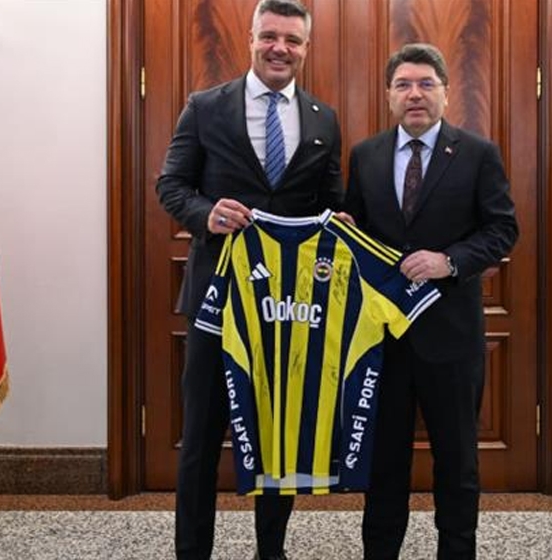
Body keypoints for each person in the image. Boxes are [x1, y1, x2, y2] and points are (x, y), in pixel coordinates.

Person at [155, 1, 344, 558]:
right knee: (200, 437)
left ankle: (271, 550)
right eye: (270, 36)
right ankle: (192, 551)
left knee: (278, 436)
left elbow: (331, 201)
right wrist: (206, 213)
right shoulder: (204, 106)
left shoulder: (323, 118)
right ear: (251, 38)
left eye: (292, 40)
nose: (280, 48)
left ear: (306, 48)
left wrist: (340, 224)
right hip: (217, 300)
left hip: (288, 307)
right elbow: (171, 185)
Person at [345, 43, 519, 559]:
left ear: (446, 92)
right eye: (403, 85)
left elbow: (502, 229)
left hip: (451, 338)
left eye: (426, 84)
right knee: (384, 463)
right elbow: (357, 232)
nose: (415, 94)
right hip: (383, 340)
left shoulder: (478, 153)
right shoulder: (365, 155)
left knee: (457, 461)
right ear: (389, 95)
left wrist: (451, 260)